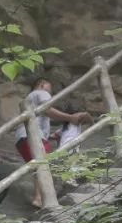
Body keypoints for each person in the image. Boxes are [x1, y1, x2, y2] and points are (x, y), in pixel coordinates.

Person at [17, 78, 93, 206]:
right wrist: (70, 117)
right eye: (49, 87)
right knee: (44, 166)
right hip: (34, 136)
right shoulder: (41, 93)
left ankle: (38, 198)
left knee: (39, 167)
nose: (50, 91)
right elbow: (47, 109)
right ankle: (43, 200)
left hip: (21, 138)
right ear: (41, 85)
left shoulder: (30, 98)